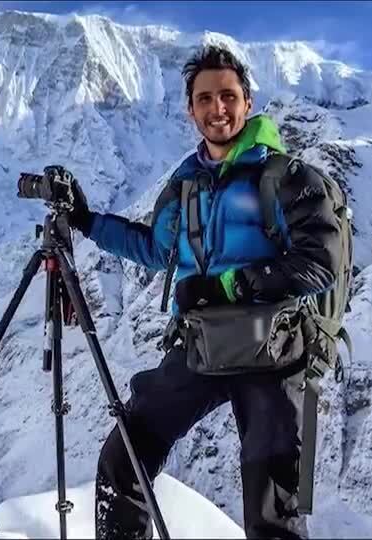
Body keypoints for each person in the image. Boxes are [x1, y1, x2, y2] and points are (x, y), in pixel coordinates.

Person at [65, 44, 343, 539]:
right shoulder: (186, 183)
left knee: (273, 515)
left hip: (272, 358)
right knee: (124, 457)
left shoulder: (287, 178)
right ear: (191, 109)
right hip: (201, 345)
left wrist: (228, 284)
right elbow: (157, 249)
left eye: (228, 96)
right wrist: (87, 221)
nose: (218, 109)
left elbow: (320, 263)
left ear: (248, 102)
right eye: (205, 99)